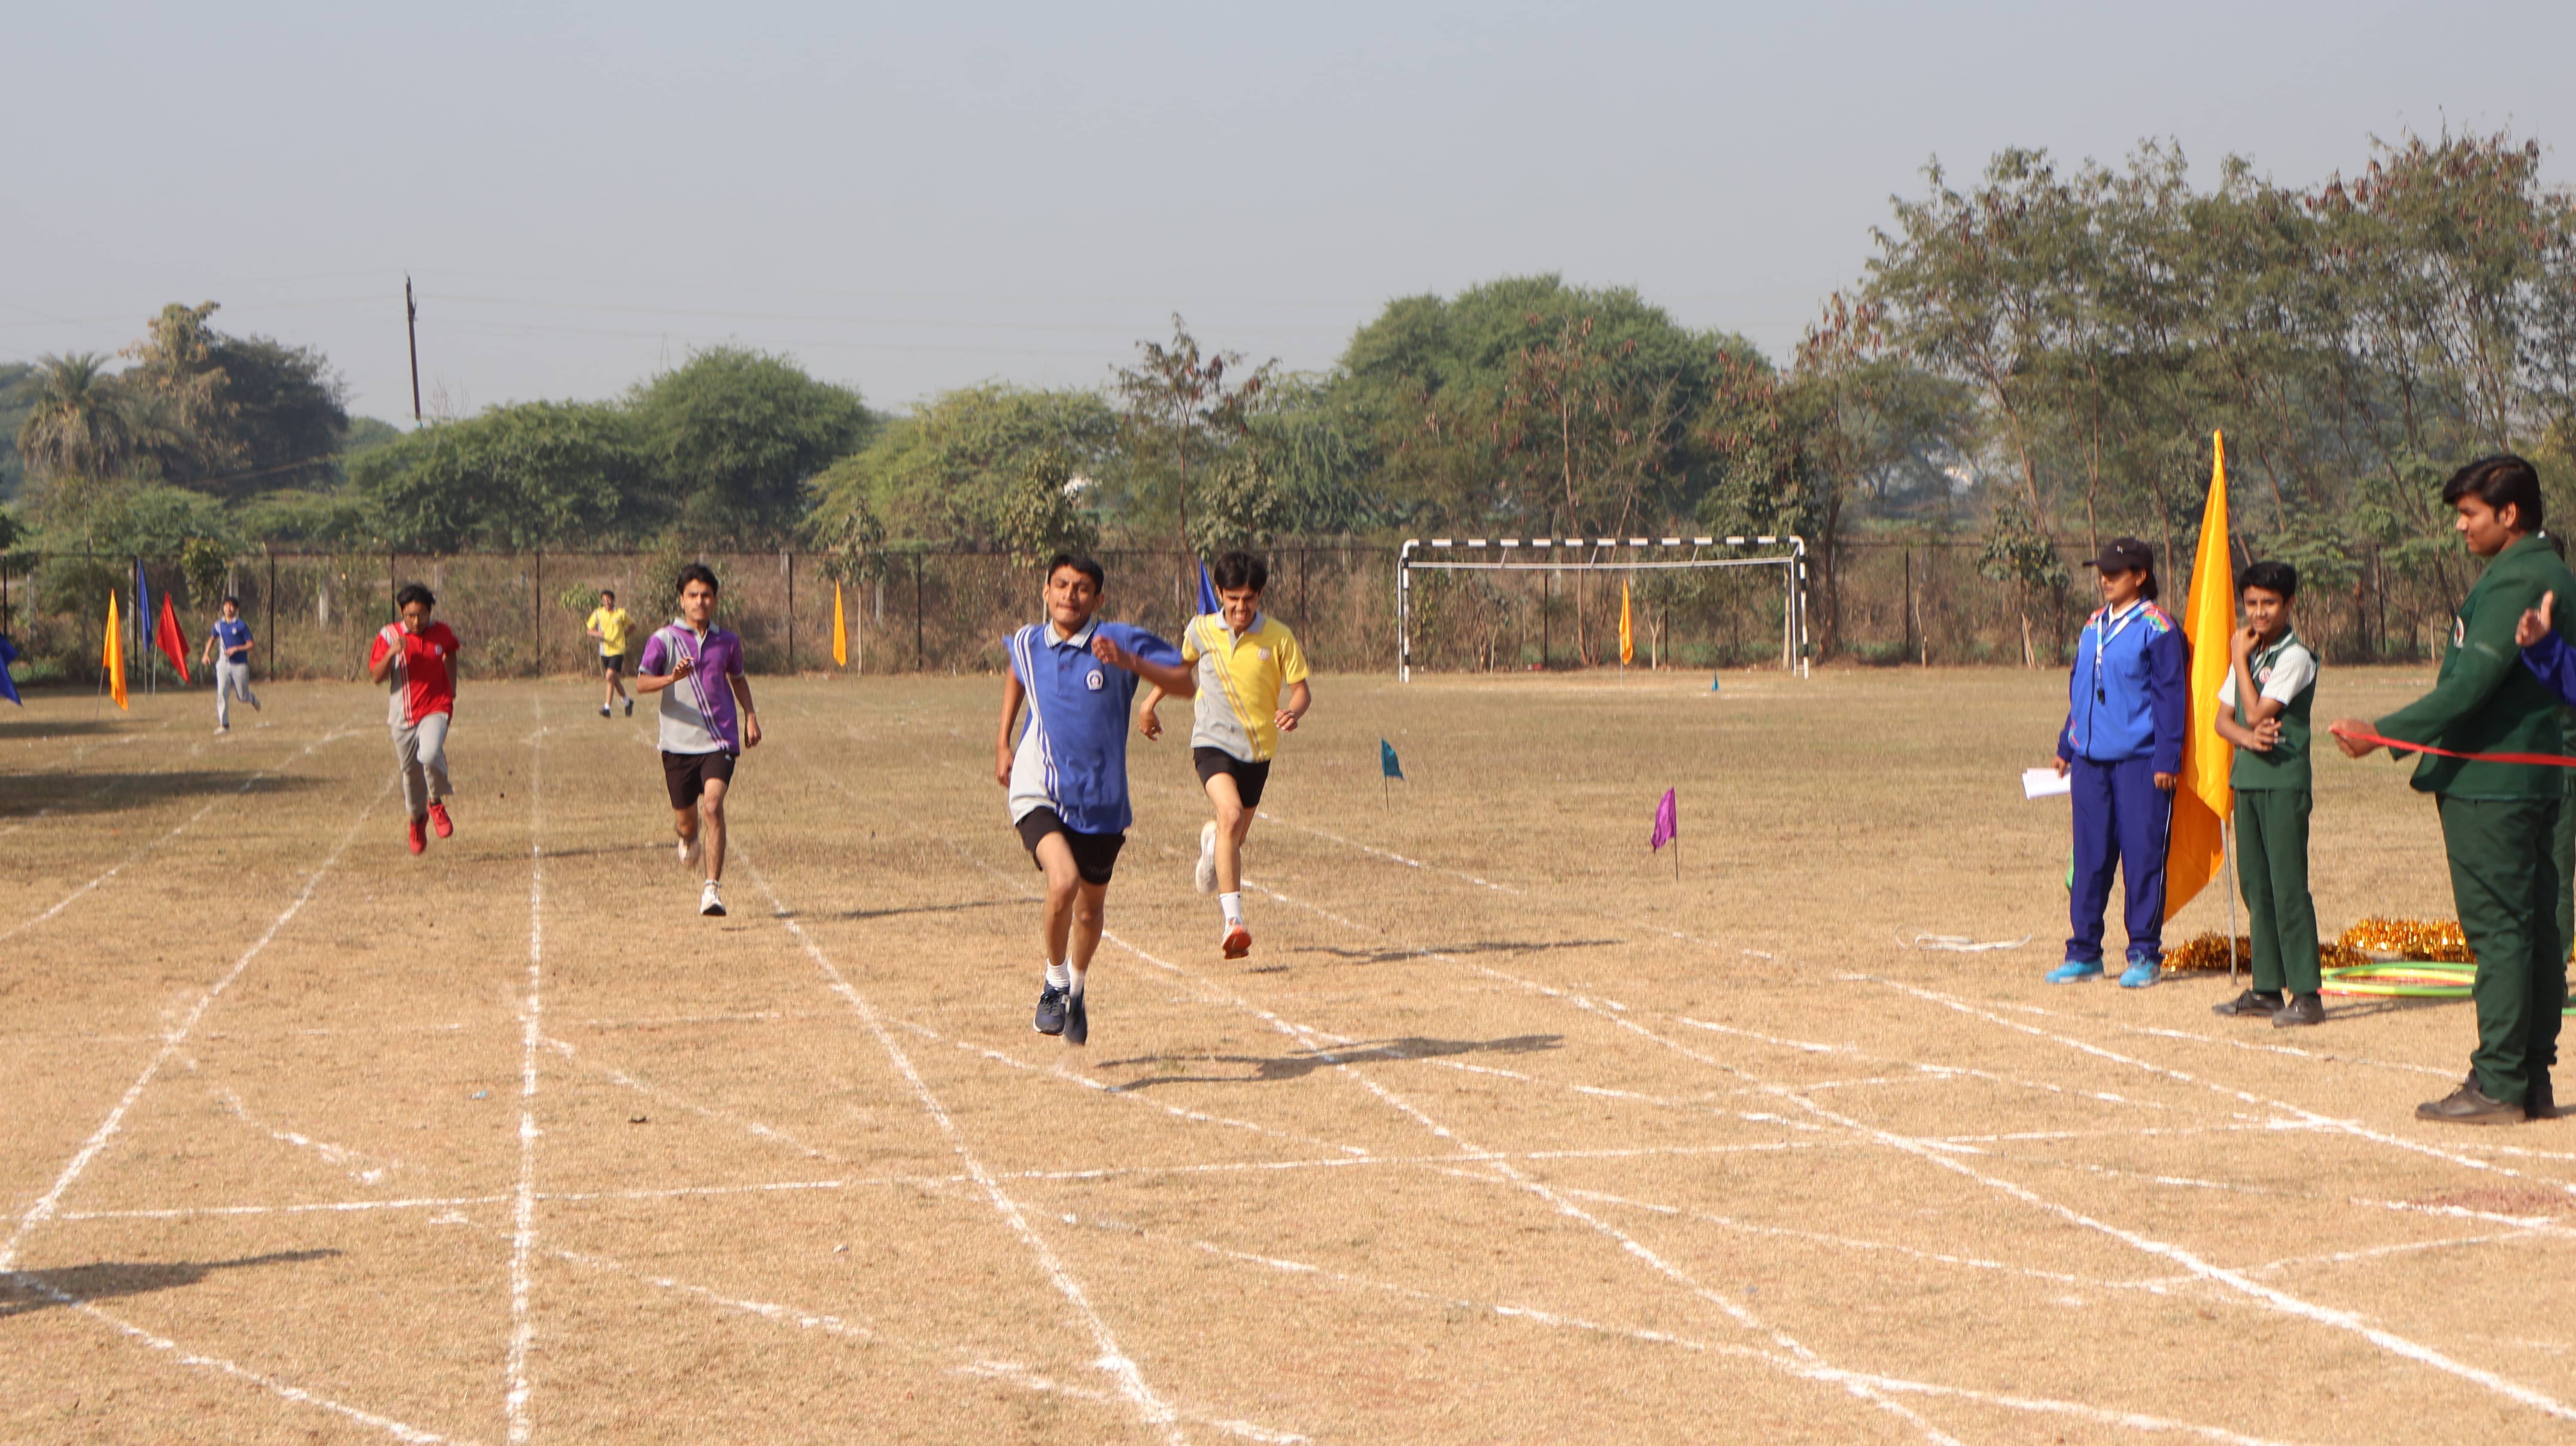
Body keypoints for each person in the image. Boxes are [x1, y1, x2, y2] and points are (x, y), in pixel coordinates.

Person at [2331, 454, 2576, 1124]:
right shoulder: (2548, 570)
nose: (2461, 527)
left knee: (2502, 931)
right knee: (2534, 929)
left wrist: (2383, 733)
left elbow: (2471, 686)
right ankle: (2530, 1078)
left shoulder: (2519, 577)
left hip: (2493, 782)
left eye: (2470, 514)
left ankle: (2498, 1082)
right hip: (2536, 777)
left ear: (2509, 514)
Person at [995, 553, 1194, 1047]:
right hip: (1038, 786)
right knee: (1061, 882)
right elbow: (1019, 669)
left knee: (1088, 910)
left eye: (1082, 587)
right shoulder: (1028, 640)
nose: (1070, 594)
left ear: (1098, 598)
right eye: (1061, 585)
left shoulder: (1121, 639)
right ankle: (1055, 981)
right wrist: (1003, 741)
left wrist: (1131, 663)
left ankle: (1078, 989)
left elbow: (1185, 683)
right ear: (1046, 591)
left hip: (1101, 799)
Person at [1138, 549, 1311, 960]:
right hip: (1211, 743)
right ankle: (1234, 923)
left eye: (1249, 599)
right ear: (1219, 593)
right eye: (1233, 599)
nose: (1241, 607)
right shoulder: (1201, 630)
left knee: (1234, 837)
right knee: (1231, 815)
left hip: (1258, 750)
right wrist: (1149, 704)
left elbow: (1301, 690)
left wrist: (1294, 711)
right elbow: (1179, 669)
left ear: (1260, 595)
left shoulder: (1279, 637)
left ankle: (1211, 845)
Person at [2047, 538, 2186, 988]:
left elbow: (2171, 696)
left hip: (2141, 763)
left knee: (2142, 860)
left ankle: (2144, 953)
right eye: (2102, 572)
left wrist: (2168, 757)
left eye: (2115, 573)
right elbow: (2083, 688)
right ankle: (2084, 952)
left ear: (2140, 576)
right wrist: (2067, 746)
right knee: (2090, 859)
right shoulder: (2093, 623)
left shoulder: (2158, 626)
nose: (2105, 580)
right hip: (2091, 762)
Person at [2208, 562, 2324, 1027]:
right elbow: (2224, 720)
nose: (2259, 612)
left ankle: (2307, 994)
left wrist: (2239, 661)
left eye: (2270, 603)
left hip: (2283, 782)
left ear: (2289, 604)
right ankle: (2267, 988)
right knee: (2256, 886)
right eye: (2252, 603)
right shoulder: (2251, 652)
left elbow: (2257, 712)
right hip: (2249, 781)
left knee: (2288, 887)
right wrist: (2248, 739)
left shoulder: (2294, 657)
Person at [638, 564, 759, 918]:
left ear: (715, 600)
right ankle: (688, 837)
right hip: (678, 744)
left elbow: (738, 678)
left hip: (720, 739)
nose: (700, 602)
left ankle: (712, 890)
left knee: (713, 807)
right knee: (688, 822)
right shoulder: (664, 639)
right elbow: (642, 684)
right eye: (693, 595)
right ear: (682, 599)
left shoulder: (728, 641)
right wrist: (671, 678)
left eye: (706, 596)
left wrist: (751, 715)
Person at [368, 584, 462, 856]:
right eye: (410, 616)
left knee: (431, 754)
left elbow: (451, 651)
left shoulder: (441, 632)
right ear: (401, 612)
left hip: (436, 707)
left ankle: (436, 803)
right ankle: (417, 820)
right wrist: (391, 653)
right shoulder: (389, 635)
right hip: (403, 715)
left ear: (430, 612)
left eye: (421, 615)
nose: (416, 621)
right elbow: (376, 677)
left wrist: (451, 688)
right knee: (411, 773)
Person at [201, 595, 260, 733]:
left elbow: (251, 645)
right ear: (223, 608)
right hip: (223, 664)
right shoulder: (219, 625)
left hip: (240, 665)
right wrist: (206, 654)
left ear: (236, 609)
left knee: (243, 697)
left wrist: (236, 649)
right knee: (222, 693)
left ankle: (252, 699)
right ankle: (224, 725)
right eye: (227, 605)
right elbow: (212, 639)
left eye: (232, 606)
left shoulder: (241, 625)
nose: (229, 608)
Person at [586, 588, 636, 718]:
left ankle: (607, 708)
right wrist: (599, 634)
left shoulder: (621, 613)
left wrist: (623, 636)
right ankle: (628, 702)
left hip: (618, 650)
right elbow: (589, 630)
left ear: (613, 600)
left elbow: (633, 627)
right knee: (614, 680)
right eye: (604, 600)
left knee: (609, 676)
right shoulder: (598, 614)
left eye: (609, 600)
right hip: (605, 651)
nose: (607, 602)